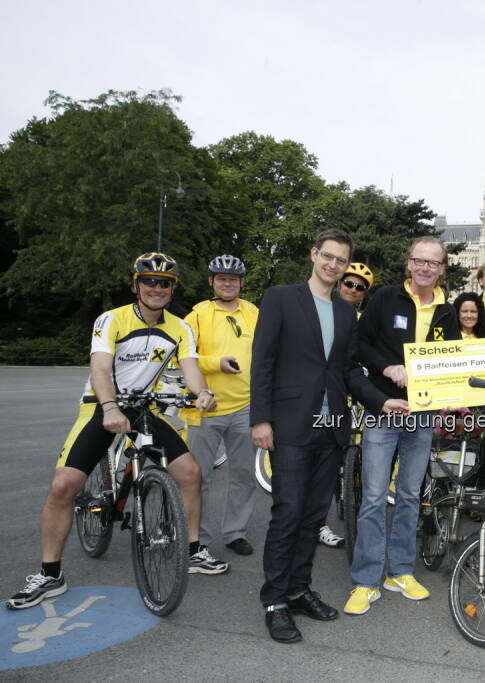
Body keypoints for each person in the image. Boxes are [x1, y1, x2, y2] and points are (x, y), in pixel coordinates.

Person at [6, 253, 221, 610]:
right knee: (64, 485)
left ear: (172, 290)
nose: (157, 287)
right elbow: (100, 370)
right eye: (149, 281)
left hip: (144, 408)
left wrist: (203, 393)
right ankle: (49, 575)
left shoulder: (180, 328)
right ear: (136, 285)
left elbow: (191, 369)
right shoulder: (112, 319)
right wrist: (109, 408)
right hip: (101, 405)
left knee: (190, 474)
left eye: (164, 283)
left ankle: (193, 549)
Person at [251, 229, 403, 643]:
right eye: (328, 257)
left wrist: (381, 402)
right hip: (290, 425)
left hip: (331, 427)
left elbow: (349, 371)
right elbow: (262, 361)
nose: (334, 265)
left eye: (341, 260)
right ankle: (275, 601)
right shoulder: (281, 298)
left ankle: (298, 590)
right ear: (314, 254)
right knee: (288, 514)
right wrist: (260, 419)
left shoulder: (344, 312)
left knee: (313, 516)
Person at [346, 236, 461, 616]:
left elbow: (453, 362)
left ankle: (400, 571)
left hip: (424, 413)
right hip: (385, 409)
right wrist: (387, 367)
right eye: (419, 261)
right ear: (408, 263)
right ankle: (365, 579)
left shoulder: (449, 310)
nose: (426, 268)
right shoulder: (385, 299)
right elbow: (360, 344)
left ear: (443, 268)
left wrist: (454, 398)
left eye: (434, 263)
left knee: (411, 495)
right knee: (375, 496)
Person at [183, 255, 260, 558]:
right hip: (206, 407)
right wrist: (216, 363)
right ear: (211, 282)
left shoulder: (253, 312)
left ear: (242, 282)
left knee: (243, 475)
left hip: (246, 406)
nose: (228, 283)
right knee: (198, 477)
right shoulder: (197, 315)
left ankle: (235, 532)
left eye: (233, 278)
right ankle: (197, 537)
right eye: (221, 278)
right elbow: (183, 355)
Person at [314, 262, 376, 550]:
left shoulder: (363, 318)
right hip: (326, 394)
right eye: (349, 284)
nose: (353, 290)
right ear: (339, 284)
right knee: (323, 462)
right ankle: (319, 523)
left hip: (356, 388)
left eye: (360, 287)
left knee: (352, 450)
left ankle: (355, 504)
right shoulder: (324, 309)